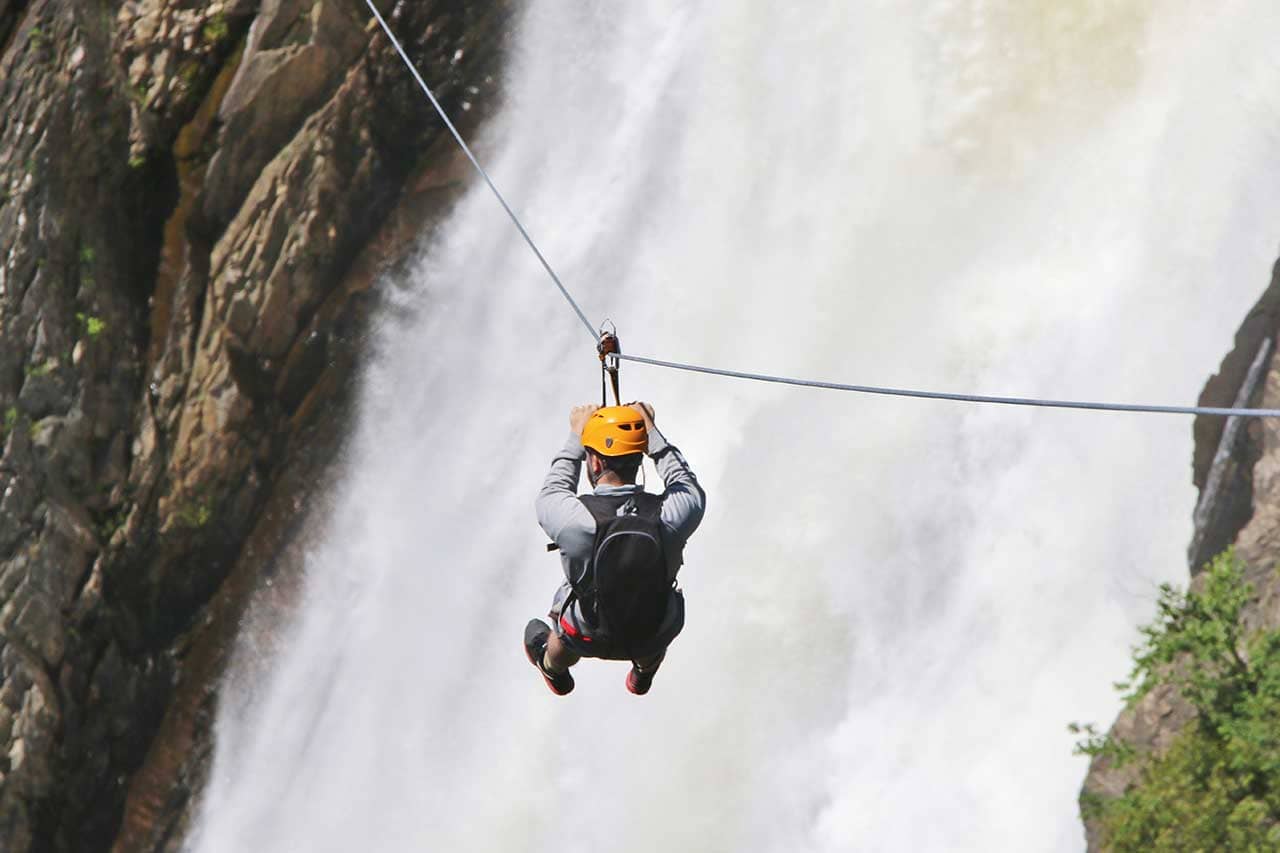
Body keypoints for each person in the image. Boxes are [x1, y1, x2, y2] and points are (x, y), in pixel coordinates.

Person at [525, 402, 705, 695]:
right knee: (654, 606)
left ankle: (552, 664)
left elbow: (553, 491)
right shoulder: (672, 515)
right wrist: (651, 432)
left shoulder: (576, 521)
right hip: (651, 634)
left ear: (594, 463)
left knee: (568, 606)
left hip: (586, 635)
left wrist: (576, 434)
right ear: (639, 458)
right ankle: (644, 670)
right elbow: (686, 483)